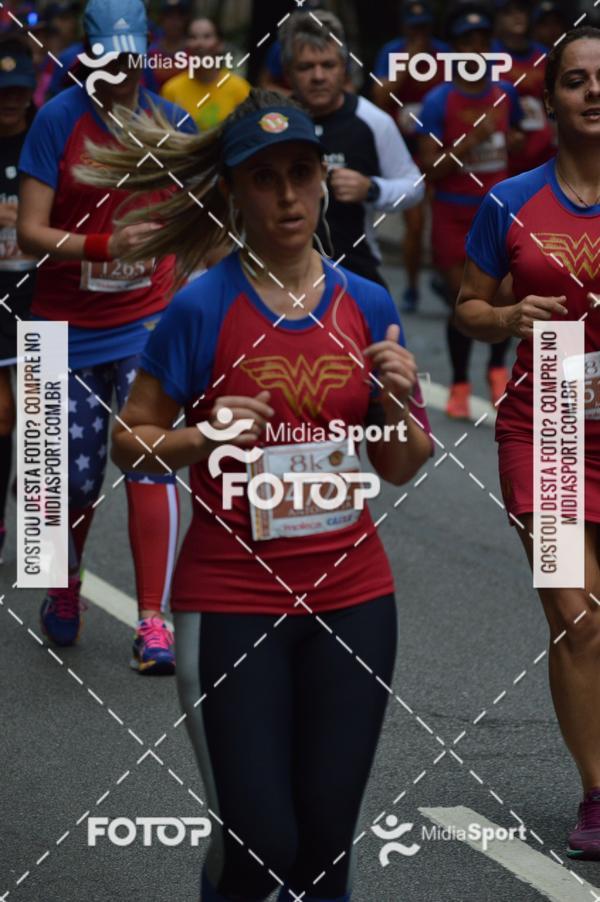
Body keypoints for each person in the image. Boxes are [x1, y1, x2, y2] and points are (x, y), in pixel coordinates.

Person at [79, 88, 433, 900]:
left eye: (302, 175)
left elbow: (404, 464)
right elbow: (129, 443)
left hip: (353, 600)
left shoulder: (367, 305)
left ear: (323, 179)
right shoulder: (200, 308)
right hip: (233, 603)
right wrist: (205, 437)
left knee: (325, 851)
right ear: (235, 192)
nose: (287, 196)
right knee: (261, 843)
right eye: (265, 178)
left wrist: (394, 403)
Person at [455, 26, 600, 858]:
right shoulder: (510, 200)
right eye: (575, 80)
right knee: (578, 618)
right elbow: (470, 303)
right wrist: (508, 317)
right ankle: (595, 792)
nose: (591, 91)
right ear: (553, 100)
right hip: (545, 433)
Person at [16, 0, 196, 672]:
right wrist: (104, 244)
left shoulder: (169, 121)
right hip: (60, 328)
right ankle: (64, 585)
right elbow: (31, 232)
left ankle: (154, 622)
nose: (123, 68)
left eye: (133, 53)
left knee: (151, 458)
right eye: (110, 54)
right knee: (72, 480)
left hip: (142, 325)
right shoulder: (58, 120)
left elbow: (195, 215)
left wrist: (179, 283)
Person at [417, 5, 524, 418]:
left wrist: (510, 141)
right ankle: (460, 382)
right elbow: (430, 168)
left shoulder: (505, 93)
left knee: (503, 297)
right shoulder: (437, 100)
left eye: (483, 43)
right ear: (454, 50)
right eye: (467, 44)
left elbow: (515, 142)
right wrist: (468, 141)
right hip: (452, 212)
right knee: (462, 303)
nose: (476, 51)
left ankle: (497, 371)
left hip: (497, 210)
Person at [280, 10, 424, 288]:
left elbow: (414, 187)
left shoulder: (373, 121)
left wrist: (372, 189)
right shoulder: (275, 122)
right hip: (282, 279)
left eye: (328, 65)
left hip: (355, 275)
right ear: (288, 72)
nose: (318, 76)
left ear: (344, 67)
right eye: (306, 66)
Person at [372, 0, 450, 312]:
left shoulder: (445, 54)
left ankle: (447, 279)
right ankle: (413, 286)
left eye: (425, 28)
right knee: (414, 223)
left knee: (443, 222)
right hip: (404, 150)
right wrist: (409, 62)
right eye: (413, 27)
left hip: (439, 147)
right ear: (404, 27)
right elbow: (379, 96)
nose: (420, 34)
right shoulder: (391, 52)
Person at [0, 40, 37, 560]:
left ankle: (45, 551)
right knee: (2, 417)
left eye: (20, 90)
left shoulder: (42, 142)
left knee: (40, 419)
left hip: (41, 297)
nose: (11, 99)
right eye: (3, 92)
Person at [492, 0, 556, 176]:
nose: (517, 16)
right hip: (501, 153)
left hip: (545, 150)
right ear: (497, 18)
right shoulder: (488, 55)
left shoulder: (545, 55)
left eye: (521, 10)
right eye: (508, 12)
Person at [161, 17, 250, 131]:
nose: (199, 43)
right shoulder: (171, 90)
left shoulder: (240, 88)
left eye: (207, 36)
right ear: (186, 44)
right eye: (193, 37)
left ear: (220, 44)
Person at [147, 0, 191, 90]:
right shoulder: (151, 52)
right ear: (162, 19)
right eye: (169, 17)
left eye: (179, 17)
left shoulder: (192, 52)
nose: (174, 23)